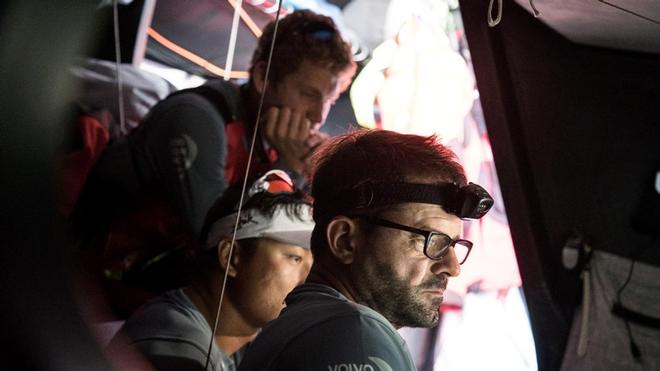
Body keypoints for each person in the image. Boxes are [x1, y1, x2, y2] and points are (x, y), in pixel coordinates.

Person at [74, 9, 356, 313]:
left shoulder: (273, 142)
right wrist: (288, 169)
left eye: (329, 99)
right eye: (308, 94)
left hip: (149, 290)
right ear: (263, 78)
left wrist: (304, 174)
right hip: (87, 278)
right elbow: (222, 245)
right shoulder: (198, 118)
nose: (318, 115)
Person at [236, 129, 494, 371]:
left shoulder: (308, 327)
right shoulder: (351, 333)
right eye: (430, 240)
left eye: (452, 245)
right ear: (344, 240)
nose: (453, 267)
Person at [107, 170, 315, 371]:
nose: (309, 279)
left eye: (311, 262)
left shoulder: (244, 341)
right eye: (294, 258)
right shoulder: (176, 351)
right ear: (231, 257)